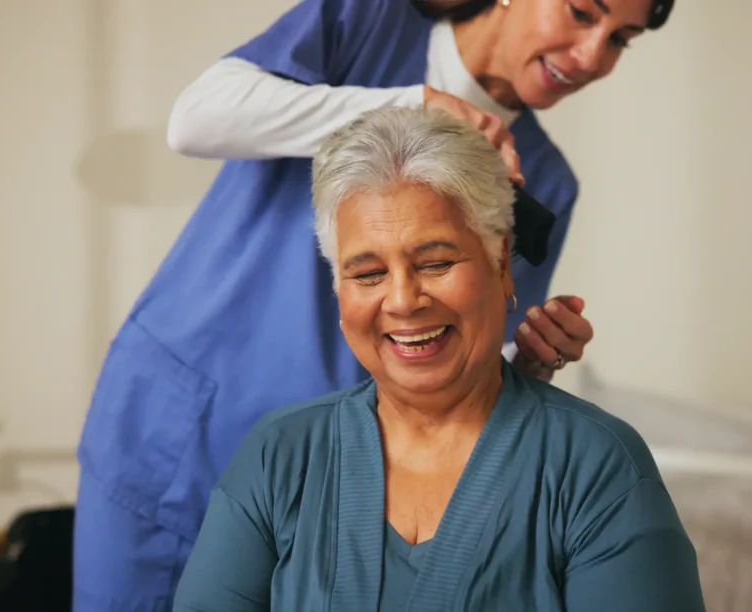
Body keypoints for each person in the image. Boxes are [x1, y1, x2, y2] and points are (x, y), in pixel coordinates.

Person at [73, 0, 676, 609]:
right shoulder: (369, 22)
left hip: (338, 473)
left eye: (621, 39)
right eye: (581, 12)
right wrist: (413, 108)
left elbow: (475, 367)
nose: (594, 55)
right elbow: (195, 120)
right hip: (183, 429)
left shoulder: (542, 180)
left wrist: (535, 359)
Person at [173, 106, 705, 611]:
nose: (402, 300)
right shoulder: (280, 457)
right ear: (339, 291)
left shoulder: (593, 466)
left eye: (435, 262)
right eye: (367, 274)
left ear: (501, 263)